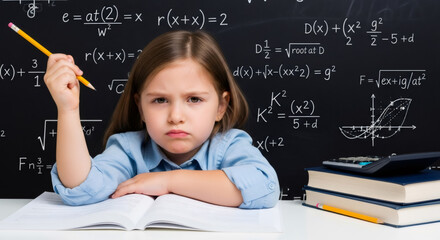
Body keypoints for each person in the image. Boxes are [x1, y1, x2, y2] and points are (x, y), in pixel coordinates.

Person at [44, 30, 279, 209]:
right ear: (141, 107)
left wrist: (168, 181)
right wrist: (68, 110)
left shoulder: (229, 145)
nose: (176, 117)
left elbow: (265, 187)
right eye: (159, 100)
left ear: (220, 106)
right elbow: (82, 189)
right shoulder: (128, 149)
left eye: (194, 99)